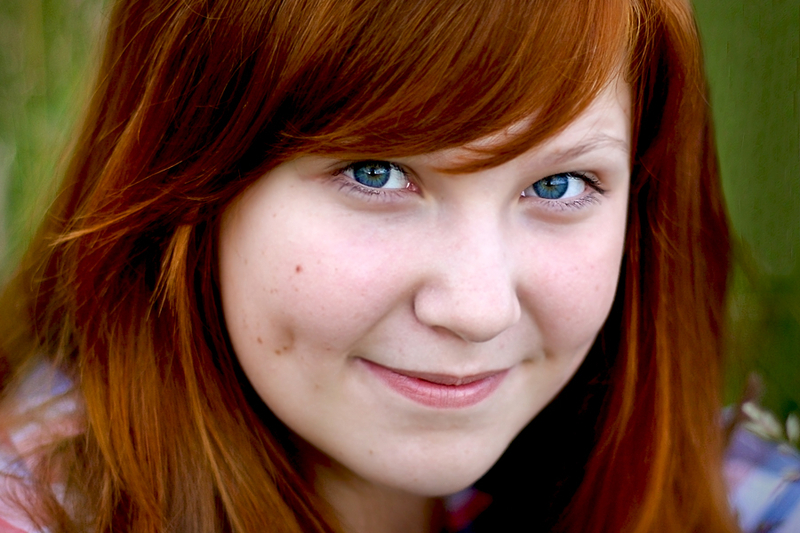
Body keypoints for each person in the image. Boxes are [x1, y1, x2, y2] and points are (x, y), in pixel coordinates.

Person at [0, 0, 738, 531]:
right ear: (190, 174)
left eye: (559, 186)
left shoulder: (737, 491)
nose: (478, 309)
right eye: (377, 173)